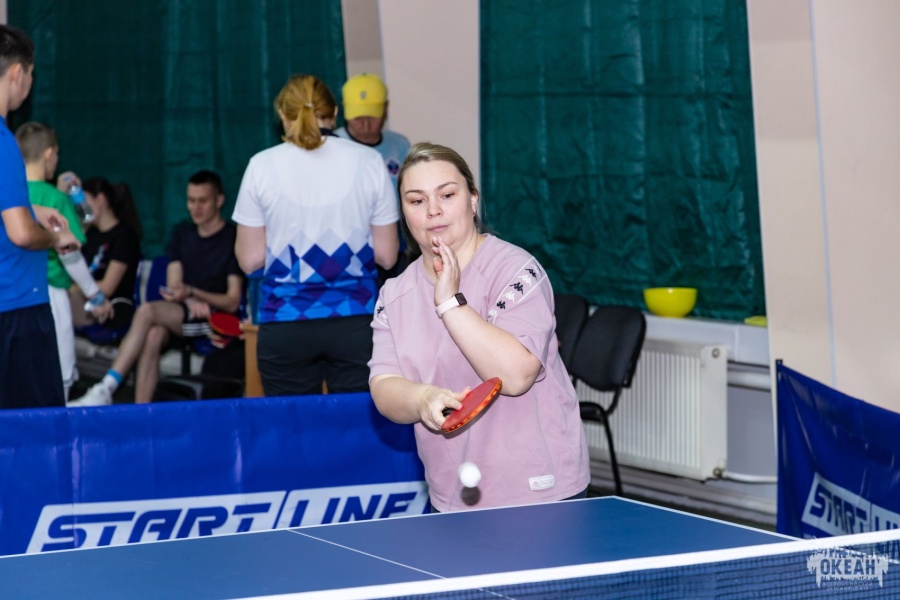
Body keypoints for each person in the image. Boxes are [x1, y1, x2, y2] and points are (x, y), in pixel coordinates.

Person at [368, 143, 590, 512]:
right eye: (417, 200)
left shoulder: (516, 270)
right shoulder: (394, 294)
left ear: (472, 200)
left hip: (539, 491)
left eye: (447, 195)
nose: (433, 210)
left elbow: (515, 376)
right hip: (451, 494)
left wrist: (449, 303)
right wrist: (421, 398)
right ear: (404, 213)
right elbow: (384, 385)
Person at [233, 74, 399, 396]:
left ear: (282, 115)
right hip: (355, 320)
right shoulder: (369, 161)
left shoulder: (261, 166)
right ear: (334, 112)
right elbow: (387, 255)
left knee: (292, 425)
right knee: (355, 423)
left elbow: (250, 260)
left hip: (285, 322)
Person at [70, 170, 244, 406]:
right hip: (182, 313)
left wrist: (193, 293)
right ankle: (143, 413)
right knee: (153, 334)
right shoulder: (182, 234)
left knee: (147, 311)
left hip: (214, 321)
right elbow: (175, 285)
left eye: (202, 201)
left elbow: (232, 300)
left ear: (219, 201)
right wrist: (187, 297)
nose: (196, 207)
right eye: (191, 200)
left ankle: (106, 387)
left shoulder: (232, 238)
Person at [0, 25, 81, 408]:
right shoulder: (4, 143)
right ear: (17, 73)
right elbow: (20, 234)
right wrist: (55, 237)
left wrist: (31, 209)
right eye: (31, 74)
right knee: (39, 430)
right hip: (16, 308)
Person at [16, 121, 113, 400]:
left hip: (14, 298)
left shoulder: (12, 197)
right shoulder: (55, 199)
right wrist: (95, 296)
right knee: (59, 376)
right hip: (51, 300)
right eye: (57, 154)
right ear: (49, 154)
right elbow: (70, 252)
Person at [335, 73, 410, 281]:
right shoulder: (333, 144)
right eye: (358, 118)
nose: (366, 125)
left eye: (372, 117)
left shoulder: (400, 144)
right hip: (347, 238)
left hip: (392, 235)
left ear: (385, 109)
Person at [70, 177, 142, 331]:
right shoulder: (91, 234)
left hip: (111, 306)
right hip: (85, 298)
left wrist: (73, 288)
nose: (81, 208)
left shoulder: (124, 237)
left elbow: (108, 287)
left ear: (101, 200)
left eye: (84, 201)